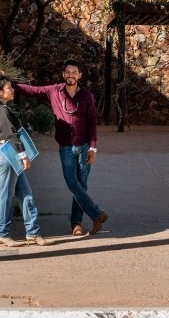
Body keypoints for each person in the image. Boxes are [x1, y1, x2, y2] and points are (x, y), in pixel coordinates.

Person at [14, 58, 108, 236]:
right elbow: (32, 90)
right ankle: (97, 213)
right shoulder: (54, 91)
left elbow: (92, 124)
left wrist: (93, 148)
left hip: (84, 147)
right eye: (68, 72)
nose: (71, 75)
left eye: (74, 72)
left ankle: (76, 224)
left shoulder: (87, 96)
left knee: (81, 185)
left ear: (79, 75)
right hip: (65, 147)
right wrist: (8, 83)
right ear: (63, 74)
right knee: (72, 183)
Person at [0, 74, 51, 247]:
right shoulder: (1, 110)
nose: (13, 90)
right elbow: (10, 134)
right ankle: (3, 233)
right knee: (7, 194)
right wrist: (23, 155)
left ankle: (33, 233)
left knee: (25, 193)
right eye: (9, 88)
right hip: (7, 153)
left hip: (7, 153)